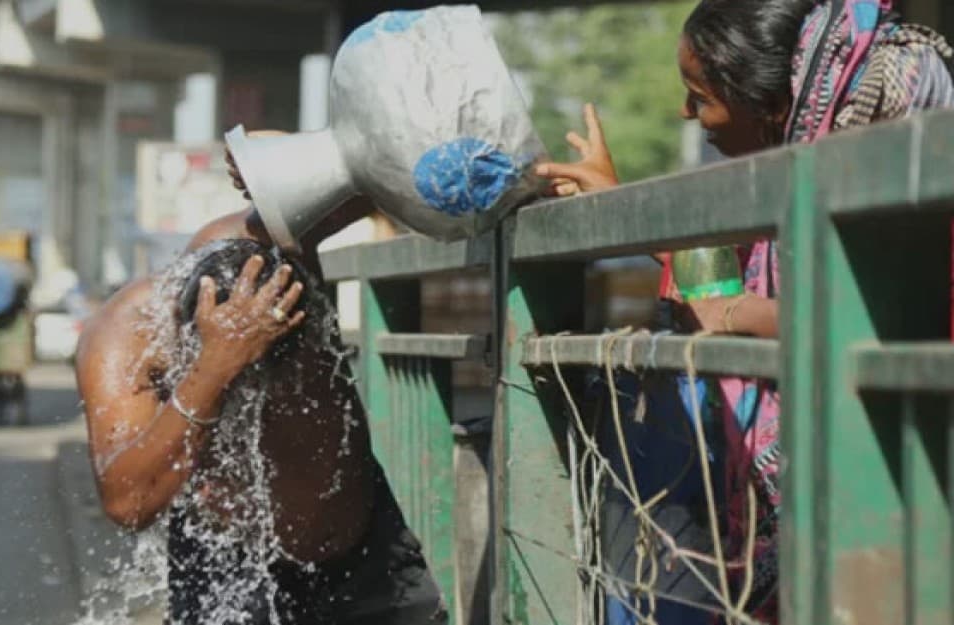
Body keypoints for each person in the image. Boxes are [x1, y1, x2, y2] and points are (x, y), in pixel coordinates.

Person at [538, 0, 954, 621]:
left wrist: (740, 315)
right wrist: (618, 203)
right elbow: (736, 283)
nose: (686, 113)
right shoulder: (805, 177)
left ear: (770, 102)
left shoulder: (891, 162)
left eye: (699, 96)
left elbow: (879, 318)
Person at [76, 188, 448, 623]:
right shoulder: (126, 335)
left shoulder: (278, 235)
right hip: (226, 564)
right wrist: (214, 370)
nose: (259, 393)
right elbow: (127, 503)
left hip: (363, 556)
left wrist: (518, 183)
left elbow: (383, 171)